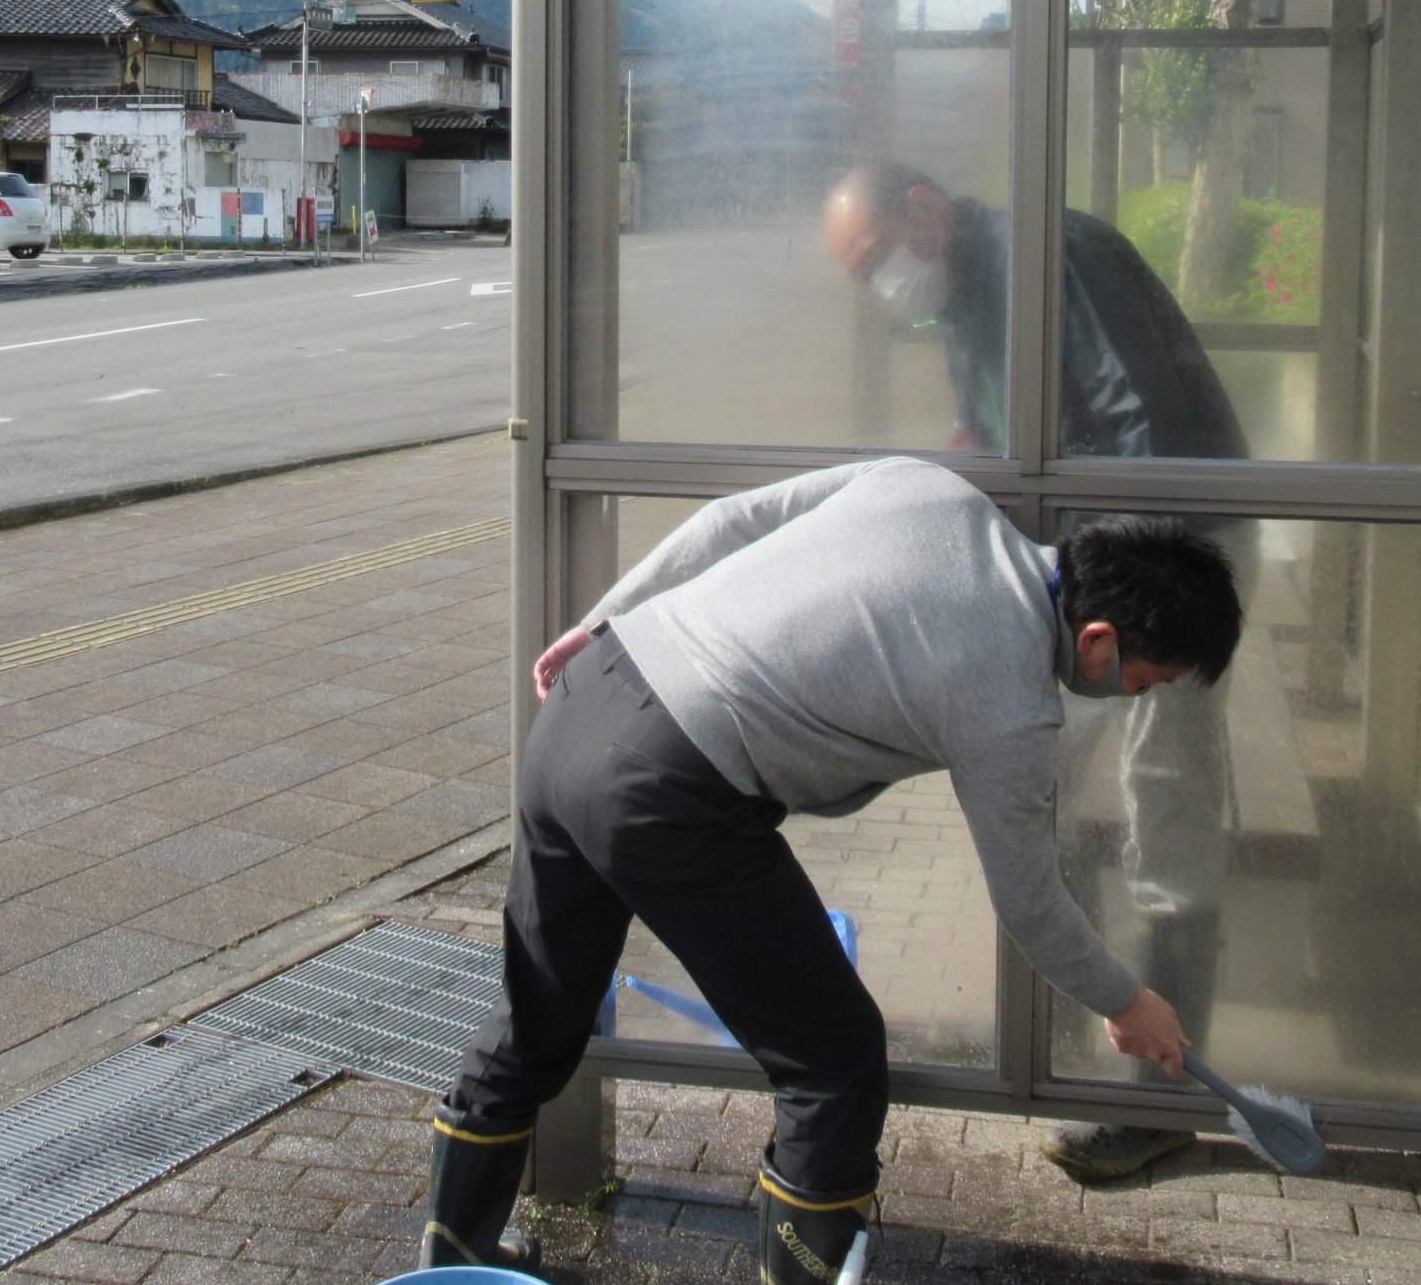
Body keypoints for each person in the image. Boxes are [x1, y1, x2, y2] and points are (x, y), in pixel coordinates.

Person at [419, 458, 1241, 1283]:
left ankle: (452, 1256)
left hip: (585, 698)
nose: (1134, 697)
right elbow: (1029, 899)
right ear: (1098, 640)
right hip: (665, 789)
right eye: (1144, 682)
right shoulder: (1013, 701)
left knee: (540, 1011)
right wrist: (1127, 1001)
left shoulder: (930, 488)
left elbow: (731, 518)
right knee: (834, 1059)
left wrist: (602, 622)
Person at [822, 163, 1251, 1185]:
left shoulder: (1050, 255)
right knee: (1042, 790)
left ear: (925, 205)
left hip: (1165, 570)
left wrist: (1113, 600)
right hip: (1089, 577)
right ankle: (1084, 1035)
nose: (880, 288)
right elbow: (996, 434)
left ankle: (1161, 1094)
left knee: (1166, 808)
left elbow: (1139, 429)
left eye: (877, 260)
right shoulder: (970, 292)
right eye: (860, 277)